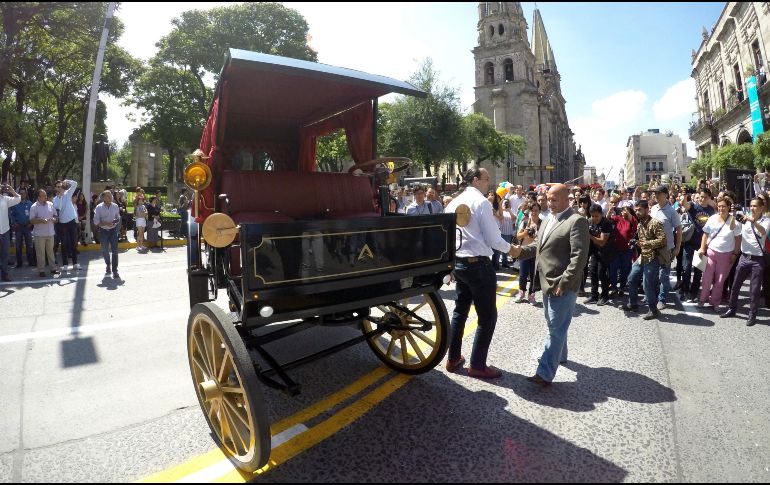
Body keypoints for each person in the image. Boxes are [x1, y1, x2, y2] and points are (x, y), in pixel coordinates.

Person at [509, 184, 590, 387]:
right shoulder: (547, 219)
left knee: (555, 328)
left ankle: (545, 372)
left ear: (566, 200)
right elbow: (539, 246)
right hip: (545, 282)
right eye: (547, 199)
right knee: (556, 325)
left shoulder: (576, 221)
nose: (549, 203)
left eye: (554, 200)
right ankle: (560, 356)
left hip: (561, 284)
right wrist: (519, 251)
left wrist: (565, 282)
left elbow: (579, 257)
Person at [444, 167, 518, 379]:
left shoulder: (453, 202)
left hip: (460, 264)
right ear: (476, 180)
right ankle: (477, 364)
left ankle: (453, 358)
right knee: (487, 317)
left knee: (460, 312)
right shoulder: (482, 203)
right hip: (479, 265)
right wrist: (512, 250)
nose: (489, 183)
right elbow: (494, 240)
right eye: (487, 179)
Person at [720, 198, 770, 326]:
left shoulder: (766, 220)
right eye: (751, 205)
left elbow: (763, 231)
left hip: (757, 259)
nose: (752, 208)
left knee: (754, 290)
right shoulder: (745, 218)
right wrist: (733, 214)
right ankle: (731, 309)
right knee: (735, 285)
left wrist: (753, 221)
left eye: (755, 206)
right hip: (744, 257)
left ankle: (752, 314)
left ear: (762, 208)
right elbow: (732, 227)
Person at [622, 200, 668, 320]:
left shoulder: (655, 223)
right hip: (643, 256)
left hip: (653, 257)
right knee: (631, 279)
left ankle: (653, 310)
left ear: (647, 210)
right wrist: (634, 242)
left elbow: (662, 241)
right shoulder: (640, 224)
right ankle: (633, 304)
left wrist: (644, 243)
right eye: (636, 210)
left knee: (648, 285)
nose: (637, 212)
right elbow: (639, 239)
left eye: (640, 210)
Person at [698, 197, 741, 312]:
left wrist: (735, 254)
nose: (721, 208)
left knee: (720, 280)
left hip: (726, 255)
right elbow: (705, 235)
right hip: (711, 252)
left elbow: (738, 239)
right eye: (719, 206)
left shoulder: (734, 222)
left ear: (728, 208)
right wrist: (702, 248)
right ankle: (702, 299)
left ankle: (715, 302)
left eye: (724, 206)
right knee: (706, 278)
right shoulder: (712, 218)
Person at [680, 188, 716, 302]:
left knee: (698, 270)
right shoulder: (693, 206)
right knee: (686, 269)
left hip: (702, 245)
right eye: (701, 196)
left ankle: (694, 292)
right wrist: (684, 195)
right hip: (689, 243)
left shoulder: (711, 210)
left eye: (705, 197)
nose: (702, 199)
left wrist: (710, 201)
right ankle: (685, 291)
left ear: (709, 198)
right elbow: (683, 203)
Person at [650, 185, 682, 309]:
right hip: (652, 247)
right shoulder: (653, 208)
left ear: (665, 195)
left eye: (658, 193)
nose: (656, 195)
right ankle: (651, 296)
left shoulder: (671, 211)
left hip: (666, 248)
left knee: (663, 275)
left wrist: (677, 247)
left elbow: (679, 230)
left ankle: (662, 299)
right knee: (652, 274)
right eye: (655, 193)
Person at [586, 203, 614, 305]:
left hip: (605, 252)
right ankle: (594, 295)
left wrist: (589, 235)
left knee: (601, 273)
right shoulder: (589, 221)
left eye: (596, 216)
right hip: (594, 251)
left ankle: (605, 296)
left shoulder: (606, 224)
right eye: (592, 216)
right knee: (592, 272)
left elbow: (602, 241)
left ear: (601, 214)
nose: (594, 218)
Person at [515, 201, 542, 304]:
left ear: (539, 211)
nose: (534, 213)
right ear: (529, 211)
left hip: (536, 252)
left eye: (536, 210)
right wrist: (526, 233)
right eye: (532, 210)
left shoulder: (542, 223)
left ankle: (532, 295)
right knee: (522, 274)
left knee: (534, 275)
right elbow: (518, 236)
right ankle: (521, 293)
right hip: (524, 251)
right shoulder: (525, 222)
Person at [29, 189, 59, 277]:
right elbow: (31, 220)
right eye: (44, 195)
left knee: (51, 252)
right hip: (39, 234)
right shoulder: (34, 207)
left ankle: (53, 268)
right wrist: (41, 220)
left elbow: (56, 216)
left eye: (46, 195)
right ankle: (41, 270)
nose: (46, 197)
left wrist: (54, 219)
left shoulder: (50, 204)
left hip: (50, 233)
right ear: (39, 197)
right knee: (40, 253)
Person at [52, 179, 80, 270]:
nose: (60, 188)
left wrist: (67, 181)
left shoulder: (67, 194)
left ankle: (75, 263)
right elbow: (59, 208)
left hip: (71, 222)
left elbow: (75, 184)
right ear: (55, 188)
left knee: (73, 243)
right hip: (62, 224)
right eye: (58, 187)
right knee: (64, 244)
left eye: (61, 186)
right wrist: (60, 197)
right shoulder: (55, 199)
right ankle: (65, 264)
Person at [93, 190, 121, 279]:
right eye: (108, 196)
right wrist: (106, 223)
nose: (111, 197)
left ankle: (115, 270)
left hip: (113, 230)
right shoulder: (99, 207)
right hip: (103, 231)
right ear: (104, 198)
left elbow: (118, 217)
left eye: (111, 196)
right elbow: (96, 221)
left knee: (115, 251)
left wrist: (115, 222)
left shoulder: (115, 206)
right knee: (105, 250)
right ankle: (108, 264)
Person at [9, 187, 35, 268]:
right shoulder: (15, 204)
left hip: (27, 226)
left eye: (23, 193)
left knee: (29, 245)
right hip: (18, 227)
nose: (22, 195)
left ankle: (30, 262)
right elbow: (11, 214)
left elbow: (33, 215)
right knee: (18, 245)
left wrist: (31, 223)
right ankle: (19, 263)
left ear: (26, 194)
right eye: (20, 193)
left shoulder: (30, 204)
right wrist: (14, 223)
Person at [0, 183, 21, 281]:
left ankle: (4, 274)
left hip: (4, 231)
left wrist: (12, 190)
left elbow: (18, 199)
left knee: (5, 254)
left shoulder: (5, 199)